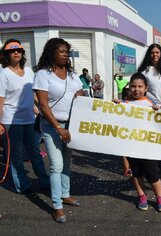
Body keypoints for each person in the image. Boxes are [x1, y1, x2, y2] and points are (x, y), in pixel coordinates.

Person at [33, 38, 83, 223]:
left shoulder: (71, 73)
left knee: (67, 163)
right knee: (56, 165)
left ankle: (65, 194)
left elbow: (80, 93)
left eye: (67, 51)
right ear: (51, 53)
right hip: (52, 126)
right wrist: (58, 128)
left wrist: (81, 96)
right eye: (61, 51)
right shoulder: (43, 74)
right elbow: (44, 105)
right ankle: (57, 206)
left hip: (72, 124)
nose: (65, 55)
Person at [0, 39, 49, 196]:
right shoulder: (3, 74)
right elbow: (0, 100)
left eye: (19, 50)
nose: (16, 53)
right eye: (12, 51)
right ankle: (22, 185)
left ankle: (45, 182)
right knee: (16, 155)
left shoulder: (29, 71)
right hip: (11, 121)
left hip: (29, 119)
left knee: (35, 151)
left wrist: (41, 112)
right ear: (6, 54)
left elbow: (33, 95)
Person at [114, 72, 161, 212]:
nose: (136, 89)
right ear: (129, 87)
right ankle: (142, 196)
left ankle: (160, 197)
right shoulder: (125, 104)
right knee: (136, 174)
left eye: (140, 86)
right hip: (131, 147)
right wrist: (115, 107)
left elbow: (160, 124)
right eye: (133, 86)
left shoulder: (150, 104)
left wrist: (158, 111)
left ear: (146, 88)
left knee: (152, 174)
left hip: (147, 148)